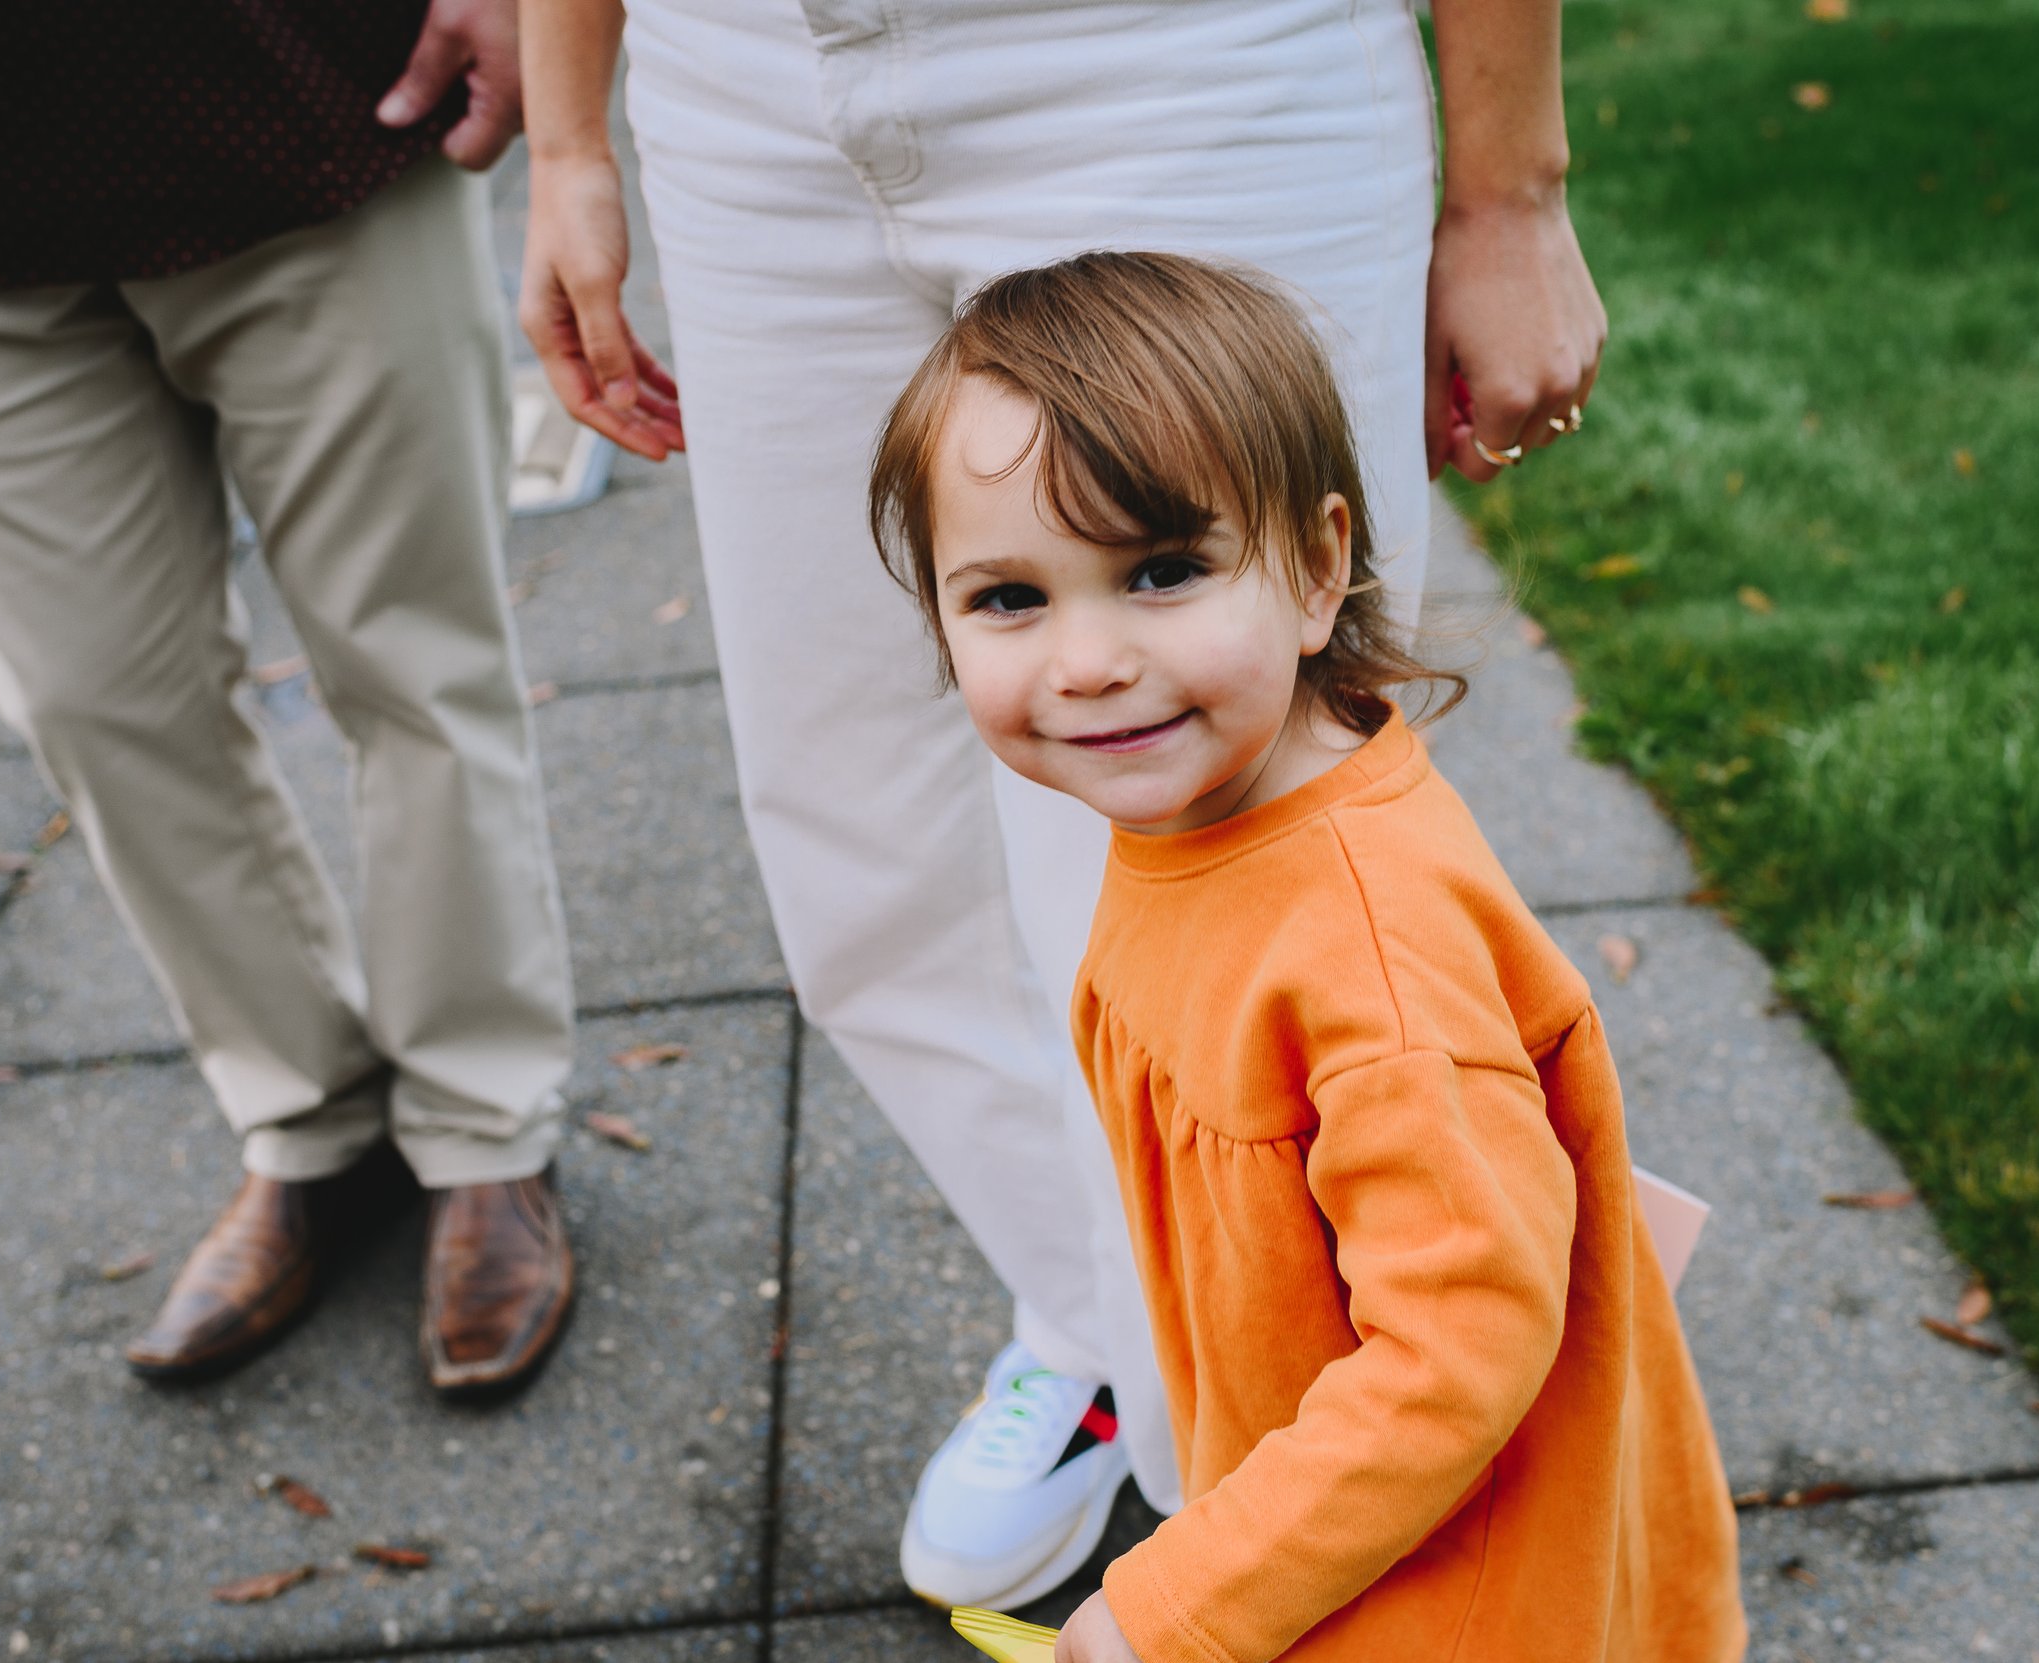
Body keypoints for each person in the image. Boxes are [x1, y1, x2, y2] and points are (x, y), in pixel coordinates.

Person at [520, 0, 1606, 1603]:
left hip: (1171, 54)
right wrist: (565, 137)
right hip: (740, 76)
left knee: (1245, 857)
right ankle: (1106, 1323)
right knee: (856, 843)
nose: (1079, 659)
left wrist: (1508, 189)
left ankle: (1298, 1467)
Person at [871, 250, 1742, 1663]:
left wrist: (1177, 1607)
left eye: (1160, 571)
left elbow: (1453, 1350)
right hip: (1339, 1507)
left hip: (1450, 1593)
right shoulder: (1205, 803)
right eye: (1010, 599)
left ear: (1318, 565)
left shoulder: (1366, 956)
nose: (1086, 661)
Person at [0, 0, 580, 1395]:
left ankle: (483, 1127)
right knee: (96, 701)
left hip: (306, 92)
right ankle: (311, 1126)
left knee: (415, 662)